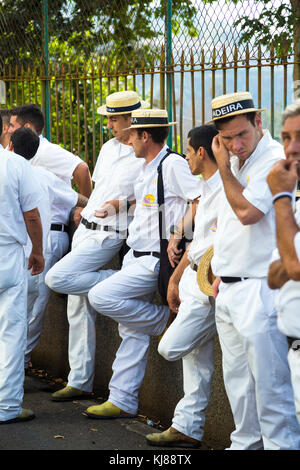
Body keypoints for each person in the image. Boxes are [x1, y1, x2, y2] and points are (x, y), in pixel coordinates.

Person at [81, 108, 201, 420]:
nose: (128, 140)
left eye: (133, 135)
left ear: (144, 136)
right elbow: (149, 201)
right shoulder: (146, 167)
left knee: (101, 296)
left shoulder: (172, 164)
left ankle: (163, 320)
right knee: (130, 328)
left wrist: (178, 233)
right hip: (135, 255)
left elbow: (200, 199)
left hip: (154, 260)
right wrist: (124, 204)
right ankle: (122, 398)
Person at [210, 91, 300, 449]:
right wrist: (223, 270)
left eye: (241, 134)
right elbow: (230, 224)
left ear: (258, 122)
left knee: (271, 387)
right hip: (231, 286)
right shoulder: (238, 163)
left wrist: (222, 167)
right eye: (227, 138)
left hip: (260, 289)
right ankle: (244, 445)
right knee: (238, 385)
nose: (235, 145)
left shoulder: (273, 160)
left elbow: (248, 213)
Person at [45, 91, 147, 401]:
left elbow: (150, 193)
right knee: (78, 305)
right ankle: (80, 380)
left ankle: (113, 282)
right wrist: (85, 208)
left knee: (58, 278)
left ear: (132, 119)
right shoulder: (108, 148)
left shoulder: (148, 150)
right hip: (85, 229)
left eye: (114, 119)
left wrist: (121, 205)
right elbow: (101, 186)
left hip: (109, 235)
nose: (110, 125)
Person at [146, 124, 221, 448]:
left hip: (211, 285)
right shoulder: (208, 186)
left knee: (170, 346)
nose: (186, 157)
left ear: (201, 153)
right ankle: (187, 426)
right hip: (191, 276)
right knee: (195, 361)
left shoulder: (227, 187)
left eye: (188, 151)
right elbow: (198, 241)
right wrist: (176, 278)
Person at [9, 127, 88, 370]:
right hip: (44, 242)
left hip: (19, 244)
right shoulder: (43, 176)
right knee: (35, 305)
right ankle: (18, 362)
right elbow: (80, 200)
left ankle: (13, 363)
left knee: (18, 307)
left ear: (10, 147)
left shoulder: (9, 174)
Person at [0, 114, 44, 424]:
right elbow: (31, 216)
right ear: (3, 130)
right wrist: (38, 251)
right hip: (7, 255)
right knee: (11, 332)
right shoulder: (16, 165)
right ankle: (6, 407)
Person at [267, 99, 300, 425]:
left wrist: (280, 199)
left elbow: (293, 268)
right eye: (287, 137)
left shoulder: (286, 199)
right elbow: (274, 275)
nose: (292, 148)